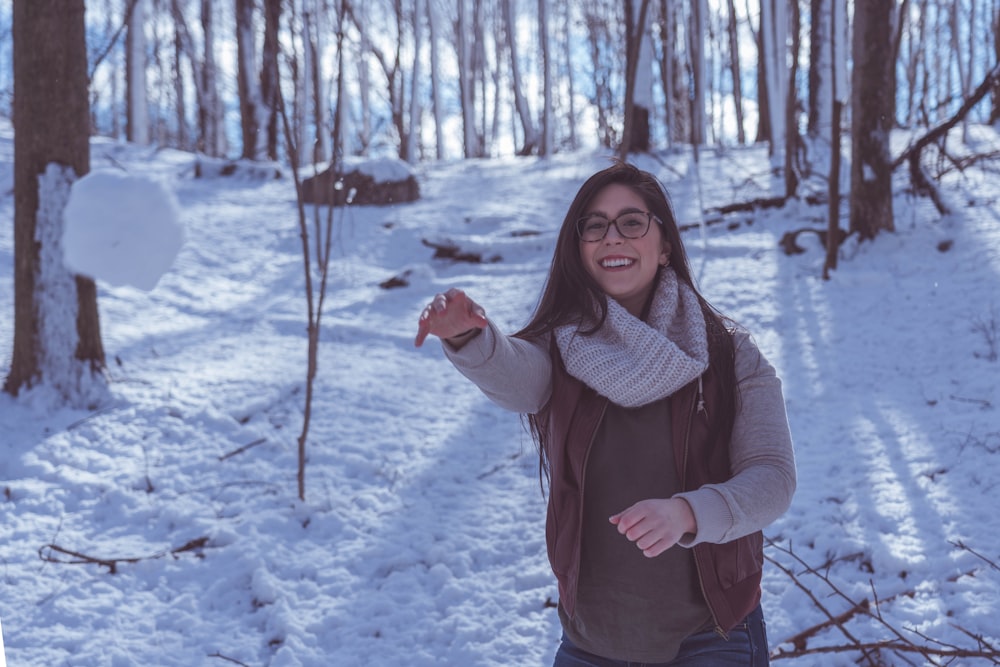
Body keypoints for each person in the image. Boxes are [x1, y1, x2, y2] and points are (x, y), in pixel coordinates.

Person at [414, 161, 795, 667]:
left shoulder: (729, 354)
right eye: (594, 225)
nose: (611, 237)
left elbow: (772, 478)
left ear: (664, 248)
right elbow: (518, 377)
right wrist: (469, 336)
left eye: (632, 222)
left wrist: (689, 513)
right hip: (591, 641)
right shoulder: (560, 348)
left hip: (712, 636)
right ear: (579, 250)